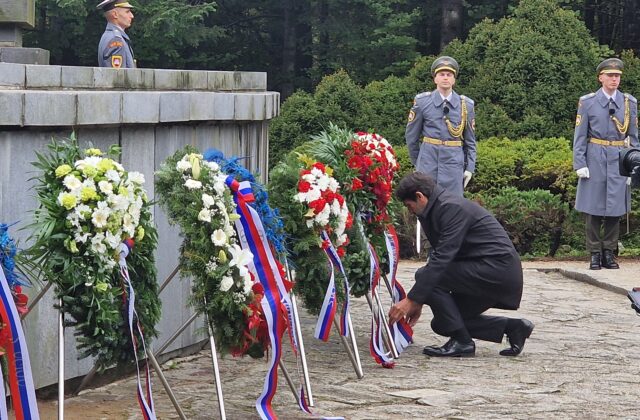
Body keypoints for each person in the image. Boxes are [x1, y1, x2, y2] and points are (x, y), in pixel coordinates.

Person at [388, 172, 534, 357]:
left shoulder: (451, 208)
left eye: (409, 206)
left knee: (426, 275)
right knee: (443, 323)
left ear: (419, 196)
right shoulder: (437, 208)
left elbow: (442, 258)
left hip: (497, 271)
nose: (409, 211)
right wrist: (419, 299)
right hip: (485, 269)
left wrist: (412, 299)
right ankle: (513, 328)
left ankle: (463, 343)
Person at [573, 58, 639, 270]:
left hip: (619, 156)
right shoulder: (588, 102)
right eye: (610, 75)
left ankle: (609, 253)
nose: (614, 79)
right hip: (595, 156)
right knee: (593, 208)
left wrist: (634, 166)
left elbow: (634, 138)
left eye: (617, 76)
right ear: (600, 77)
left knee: (615, 207)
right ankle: (594, 253)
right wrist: (579, 163)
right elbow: (580, 136)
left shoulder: (629, 103)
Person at [405, 56, 476, 197]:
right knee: (425, 206)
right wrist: (418, 162)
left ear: (454, 79)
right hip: (427, 163)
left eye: (449, 75)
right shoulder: (422, 102)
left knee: (453, 208)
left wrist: (469, 168)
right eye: (441, 74)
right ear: (435, 79)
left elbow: (470, 141)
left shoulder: (466, 105)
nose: (445, 78)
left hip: (453, 166)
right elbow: (411, 136)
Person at [96, 0, 136, 69]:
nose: (132, 16)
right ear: (115, 14)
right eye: (127, 12)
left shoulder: (110, 36)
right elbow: (117, 77)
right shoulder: (116, 40)